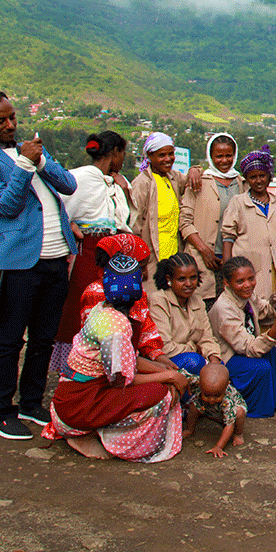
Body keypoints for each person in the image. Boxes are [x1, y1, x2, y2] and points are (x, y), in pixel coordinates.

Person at [0, 90, 78, 441]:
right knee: (10, 340)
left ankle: (31, 402)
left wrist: (40, 161)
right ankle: (2, 412)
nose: (10, 125)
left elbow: (69, 185)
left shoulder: (31, 150)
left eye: (12, 117)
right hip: (19, 264)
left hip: (55, 258)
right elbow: (6, 205)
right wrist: (25, 165)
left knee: (43, 338)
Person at [42, 233, 187, 461]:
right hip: (80, 405)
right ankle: (97, 436)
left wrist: (163, 368)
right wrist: (169, 376)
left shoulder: (103, 309)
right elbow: (122, 379)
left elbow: (128, 358)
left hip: (71, 398)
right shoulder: (116, 327)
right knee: (160, 393)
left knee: (163, 381)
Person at [52, 130, 132, 374]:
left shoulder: (111, 182)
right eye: (123, 153)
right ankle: (76, 364)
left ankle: (99, 364)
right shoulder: (82, 178)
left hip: (108, 254)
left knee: (104, 306)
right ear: (115, 153)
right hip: (87, 252)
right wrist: (71, 225)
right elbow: (59, 208)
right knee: (81, 304)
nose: (123, 159)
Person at [208, 256, 276, 417]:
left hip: (243, 349)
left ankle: (275, 402)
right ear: (226, 283)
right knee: (261, 366)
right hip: (227, 358)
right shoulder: (224, 309)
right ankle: (256, 409)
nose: (247, 285)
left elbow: (265, 310)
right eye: (240, 281)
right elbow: (249, 348)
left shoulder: (247, 295)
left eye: (251, 279)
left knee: (272, 351)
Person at [179, 133, 245, 306]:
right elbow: (184, 221)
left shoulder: (241, 183)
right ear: (211, 156)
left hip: (232, 259)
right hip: (202, 258)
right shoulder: (198, 181)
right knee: (203, 306)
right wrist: (204, 250)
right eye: (219, 156)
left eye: (228, 155)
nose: (224, 161)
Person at [221, 146, 276, 300]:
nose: (258, 181)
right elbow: (228, 237)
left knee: (275, 305)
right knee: (251, 303)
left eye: (262, 176)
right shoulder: (238, 203)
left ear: (269, 177)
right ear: (247, 179)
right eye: (253, 177)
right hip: (249, 270)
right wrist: (227, 272)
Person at [148, 253, 224, 375]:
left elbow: (207, 338)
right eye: (181, 279)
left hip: (197, 357)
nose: (188, 284)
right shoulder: (159, 300)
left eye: (193, 278)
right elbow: (165, 346)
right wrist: (193, 348)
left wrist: (214, 361)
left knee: (220, 368)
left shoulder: (197, 300)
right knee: (194, 361)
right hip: (170, 361)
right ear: (169, 279)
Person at [129, 131, 185, 280]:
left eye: (171, 154)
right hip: (152, 259)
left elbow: (194, 178)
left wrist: (195, 170)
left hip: (173, 257)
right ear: (150, 156)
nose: (168, 159)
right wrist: (139, 262)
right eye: (162, 155)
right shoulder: (142, 183)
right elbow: (135, 225)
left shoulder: (173, 178)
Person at [181, 361, 246, 458]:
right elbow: (182, 375)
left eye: (217, 396)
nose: (211, 399)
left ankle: (238, 434)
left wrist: (219, 447)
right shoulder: (197, 381)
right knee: (193, 406)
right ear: (200, 384)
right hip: (207, 407)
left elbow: (229, 425)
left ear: (226, 386)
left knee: (240, 412)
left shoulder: (227, 401)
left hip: (228, 410)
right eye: (207, 395)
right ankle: (190, 429)